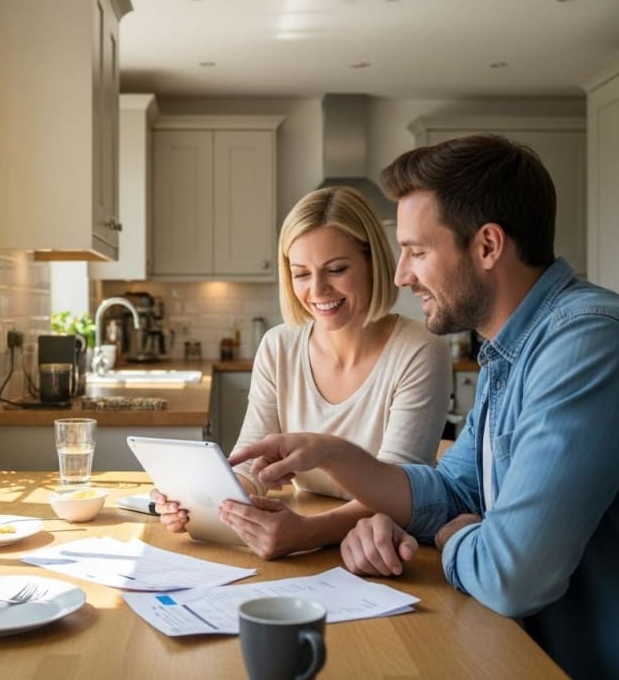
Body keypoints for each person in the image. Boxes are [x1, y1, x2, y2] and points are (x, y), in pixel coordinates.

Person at [228, 135, 619, 679]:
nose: (402, 274)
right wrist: (332, 453)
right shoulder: (510, 351)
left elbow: (511, 576)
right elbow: (453, 490)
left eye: (418, 251)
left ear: (488, 246)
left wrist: (455, 537)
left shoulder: (590, 344)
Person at [151, 185, 451, 558]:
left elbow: (401, 495)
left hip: (380, 547)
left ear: (374, 262)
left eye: (337, 269)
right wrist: (202, 501)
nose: (317, 290)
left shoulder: (421, 349)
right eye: (301, 274)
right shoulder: (280, 345)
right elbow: (250, 465)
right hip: (302, 533)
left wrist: (307, 533)